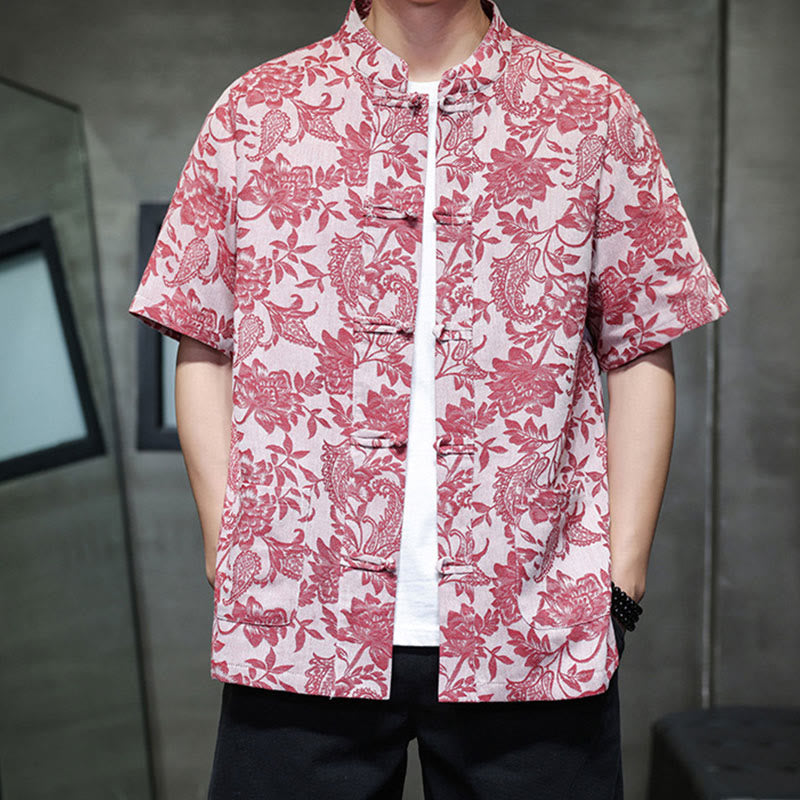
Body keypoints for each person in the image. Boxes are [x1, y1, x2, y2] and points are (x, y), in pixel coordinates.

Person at [128, 0, 729, 797]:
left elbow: (642, 343)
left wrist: (622, 577)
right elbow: (202, 338)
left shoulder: (591, 109)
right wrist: (225, 539)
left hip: (534, 630)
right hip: (300, 622)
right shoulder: (257, 109)